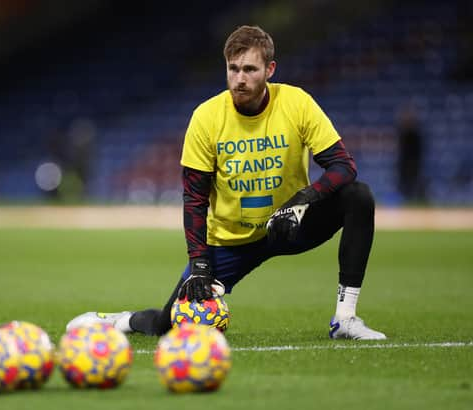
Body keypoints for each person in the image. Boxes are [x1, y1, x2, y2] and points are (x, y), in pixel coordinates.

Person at [67, 25, 386, 340]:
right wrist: (200, 264)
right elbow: (194, 199)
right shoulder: (206, 118)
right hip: (233, 242)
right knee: (168, 325)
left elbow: (344, 167)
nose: (240, 78)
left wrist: (302, 201)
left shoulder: (296, 103)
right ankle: (123, 321)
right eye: (233, 69)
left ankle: (345, 319)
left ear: (270, 69)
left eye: (250, 69)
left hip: (290, 224)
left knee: (358, 197)